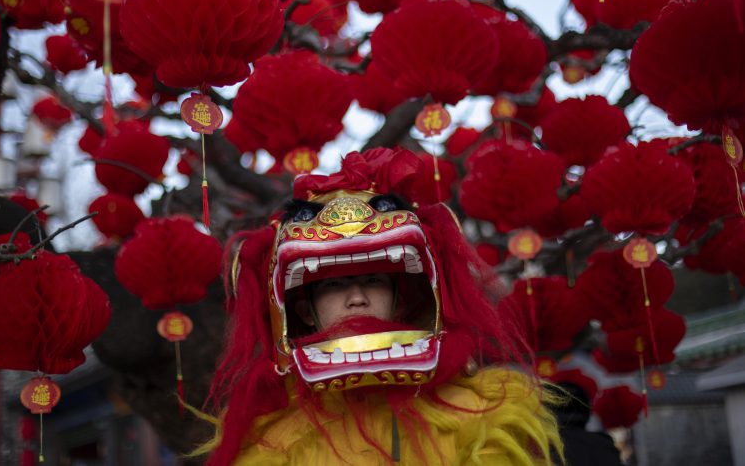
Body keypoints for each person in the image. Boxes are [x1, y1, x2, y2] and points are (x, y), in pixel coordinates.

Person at [198, 148, 563, 465]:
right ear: (305, 311)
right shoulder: (271, 434)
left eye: (372, 280)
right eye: (335, 284)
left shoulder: (482, 412)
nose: (357, 298)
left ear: (398, 298)